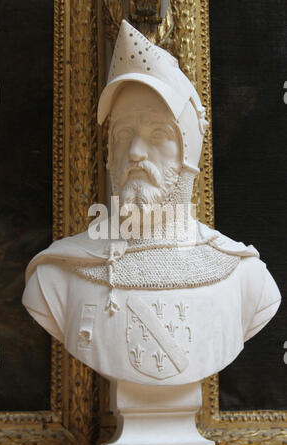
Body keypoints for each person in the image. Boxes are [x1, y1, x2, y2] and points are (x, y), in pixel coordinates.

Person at [22, 20, 281, 386]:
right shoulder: (56, 278)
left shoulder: (247, 281)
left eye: (158, 134)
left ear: (188, 155)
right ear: (108, 155)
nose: (136, 153)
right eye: (123, 134)